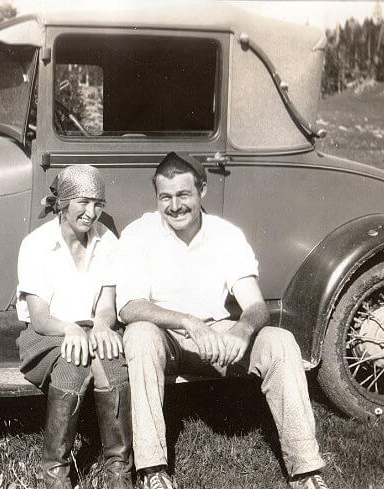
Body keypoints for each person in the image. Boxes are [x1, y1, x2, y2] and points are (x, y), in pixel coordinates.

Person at [115, 152, 329, 489]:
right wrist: (187, 322)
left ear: (202, 191)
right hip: (167, 338)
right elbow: (129, 307)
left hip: (219, 334)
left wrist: (243, 330)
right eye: (165, 197)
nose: (174, 206)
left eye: (183, 195)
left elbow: (255, 305)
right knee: (139, 335)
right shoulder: (138, 234)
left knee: (280, 341)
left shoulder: (225, 234)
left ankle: (305, 470)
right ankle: (152, 470)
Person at [16, 165, 133, 489]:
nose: (91, 212)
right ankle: (55, 472)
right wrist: (72, 329)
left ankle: (119, 470)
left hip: (89, 328)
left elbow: (107, 305)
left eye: (98, 203)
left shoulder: (106, 240)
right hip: (47, 334)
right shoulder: (37, 244)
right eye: (83, 201)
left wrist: (101, 325)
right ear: (64, 202)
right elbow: (39, 317)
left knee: (112, 364)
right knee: (73, 366)